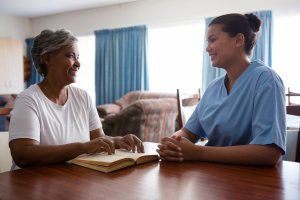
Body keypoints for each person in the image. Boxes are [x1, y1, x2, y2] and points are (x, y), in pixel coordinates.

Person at [157, 13, 286, 165]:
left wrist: (197, 152)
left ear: (238, 40)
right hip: (213, 178)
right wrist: (174, 143)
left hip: (253, 181)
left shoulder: (266, 79)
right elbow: (188, 132)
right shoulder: (214, 87)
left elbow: (269, 153)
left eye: (213, 39)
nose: (207, 48)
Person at [9, 29, 144, 170]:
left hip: (72, 178)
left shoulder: (83, 97)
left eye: (78, 57)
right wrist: (84, 147)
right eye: (71, 56)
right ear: (47, 59)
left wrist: (119, 141)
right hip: (32, 184)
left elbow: (99, 140)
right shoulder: (28, 100)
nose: (78, 63)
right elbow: (23, 155)